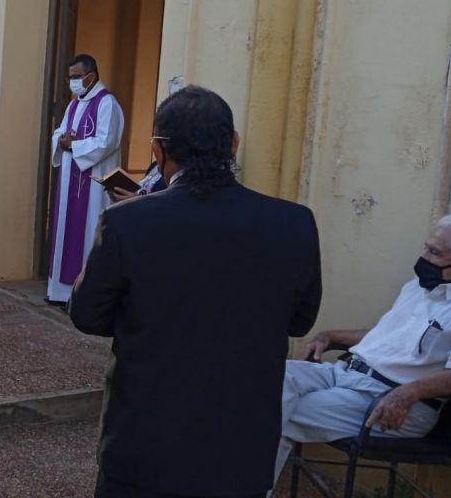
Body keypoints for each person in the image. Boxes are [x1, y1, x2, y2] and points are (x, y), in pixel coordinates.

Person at [69, 86, 322, 498]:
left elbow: (87, 315)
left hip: (144, 448)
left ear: (157, 151)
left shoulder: (127, 222)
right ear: (234, 145)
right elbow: (300, 319)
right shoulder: (293, 222)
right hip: (240, 451)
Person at [274, 215, 451, 486]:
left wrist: (408, 392)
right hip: (346, 374)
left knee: (271, 410)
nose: (423, 257)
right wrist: (329, 336)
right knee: (267, 378)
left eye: (435, 253)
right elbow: (386, 336)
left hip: (393, 402)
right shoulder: (418, 287)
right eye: (426, 246)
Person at [46, 54, 124, 306]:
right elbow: (60, 132)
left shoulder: (107, 103)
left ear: (92, 76)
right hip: (70, 179)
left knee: (89, 231)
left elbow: (107, 141)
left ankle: (84, 297)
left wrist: (73, 144)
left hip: (92, 186)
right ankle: (59, 292)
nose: (73, 82)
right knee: (65, 230)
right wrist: (60, 140)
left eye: (77, 77)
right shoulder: (74, 104)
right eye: (70, 77)